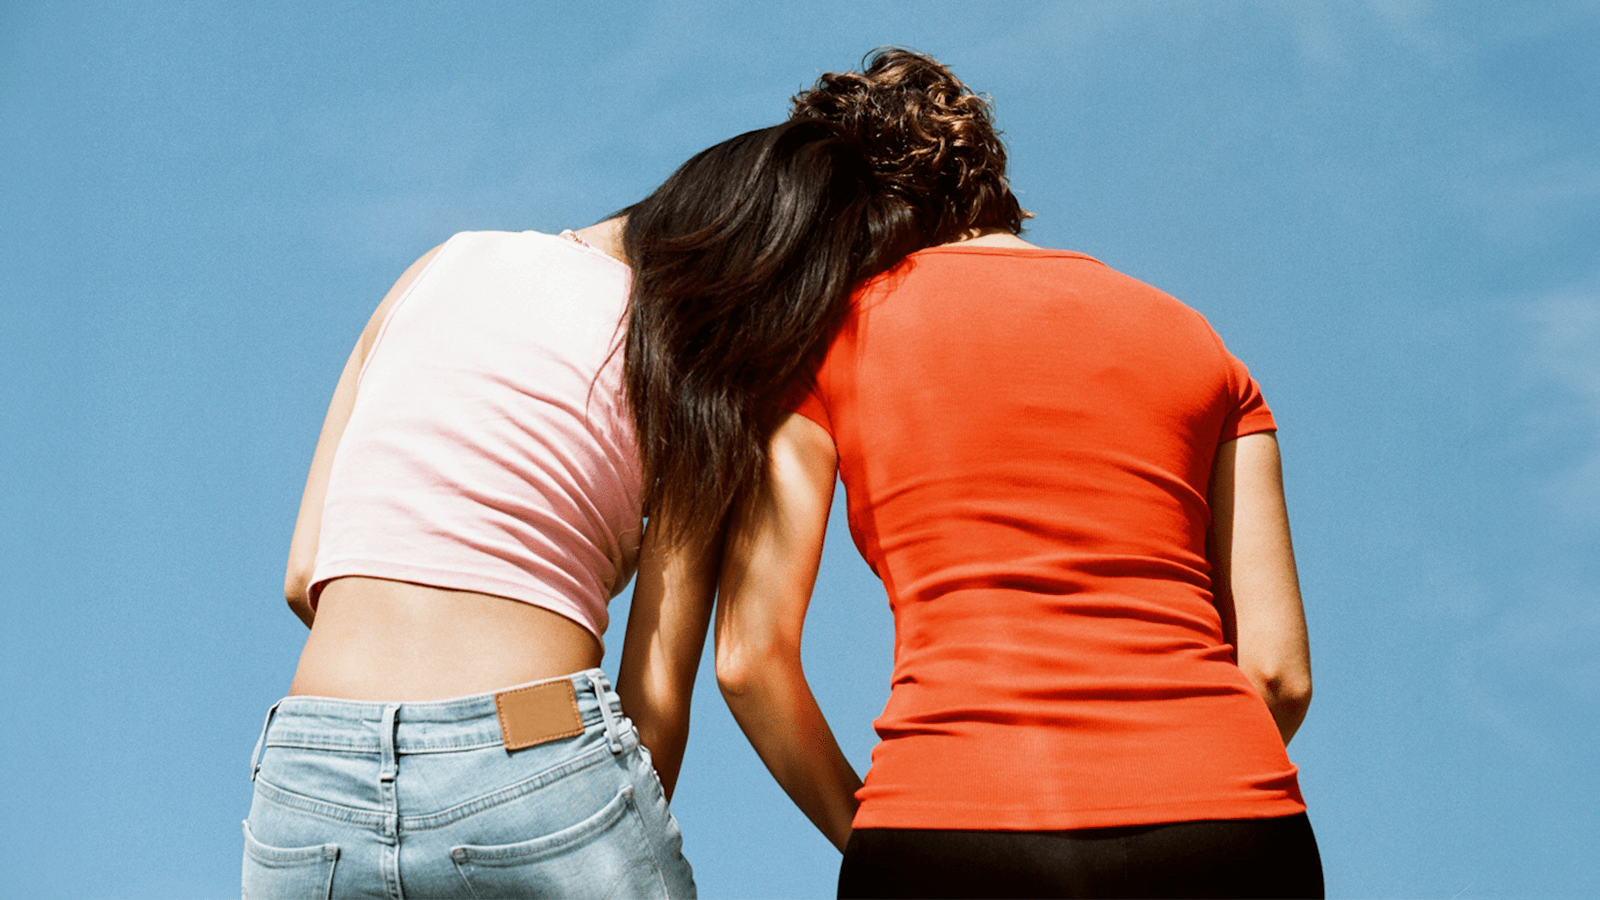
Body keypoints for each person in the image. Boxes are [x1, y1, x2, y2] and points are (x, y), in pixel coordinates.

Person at [710, 50, 1324, 898]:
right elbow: (1278, 673)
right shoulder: (1199, 343)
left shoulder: (820, 348)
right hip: (1231, 823)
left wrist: (868, 838)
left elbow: (748, 658)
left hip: (945, 826)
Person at [243, 119, 889, 899]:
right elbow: (653, 702)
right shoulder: (685, 366)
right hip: (531, 756)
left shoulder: (436, 266)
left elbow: (304, 575)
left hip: (306, 777)